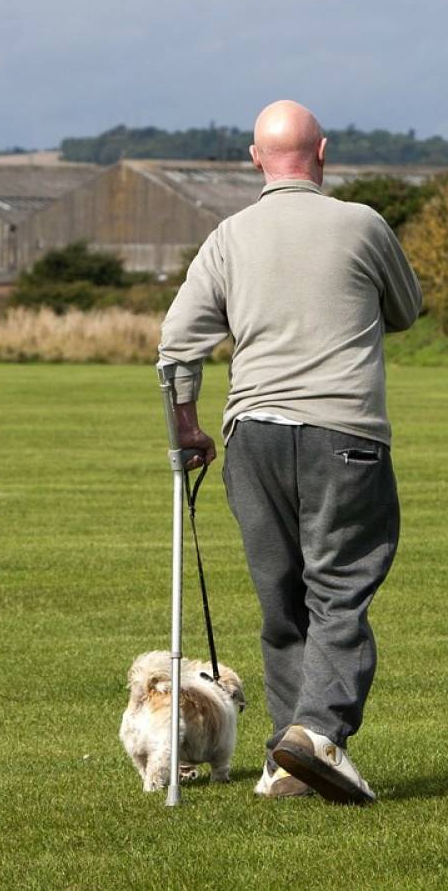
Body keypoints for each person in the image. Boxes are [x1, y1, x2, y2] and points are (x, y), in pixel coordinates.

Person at [157, 99, 422, 805]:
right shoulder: (364, 224)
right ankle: (319, 733)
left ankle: (288, 756)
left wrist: (186, 425)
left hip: (252, 434)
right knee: (339, 588)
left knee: (282, 599)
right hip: (346, 432)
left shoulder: (227, 236)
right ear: (323, 153)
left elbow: (178, 340)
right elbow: (406, 308)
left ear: (255, 159)